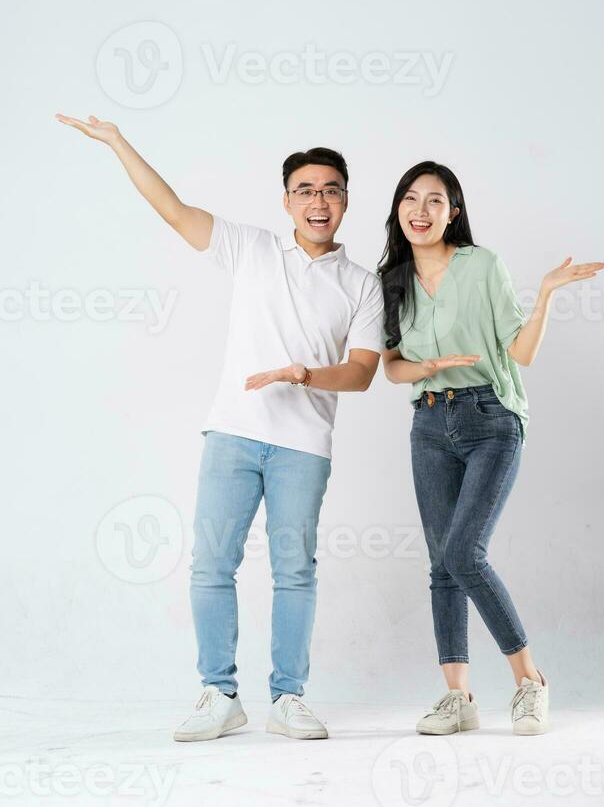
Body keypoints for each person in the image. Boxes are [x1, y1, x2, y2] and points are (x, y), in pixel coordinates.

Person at [55, 113, 385, 741]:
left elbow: (364, 372)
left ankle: (288, 698)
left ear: (346, 201)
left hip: (304, 446)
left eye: (331, 189)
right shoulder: (253, 247)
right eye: (306, 190)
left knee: (294, 570)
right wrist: (118, 141)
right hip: (233, 432)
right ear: (287, 200)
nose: (319, 201)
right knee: (212, 565)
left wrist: (305, 375)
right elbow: (174, 210)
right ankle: (220, 693)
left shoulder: (362, 284)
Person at [377, 161, 604, 736]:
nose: (421, 211)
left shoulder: (482, 266)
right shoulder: (391, 280)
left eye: (435, 201)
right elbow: (391, 369)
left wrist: (547, 292)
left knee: (463, 553)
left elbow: (521, 353)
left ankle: (530, 681)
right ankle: (458, 698)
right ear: (398, 209)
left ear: (453, 212)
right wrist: (425, 366)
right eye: (411, 199)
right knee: (441, 565)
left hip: (490, 418)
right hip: (428, 425)